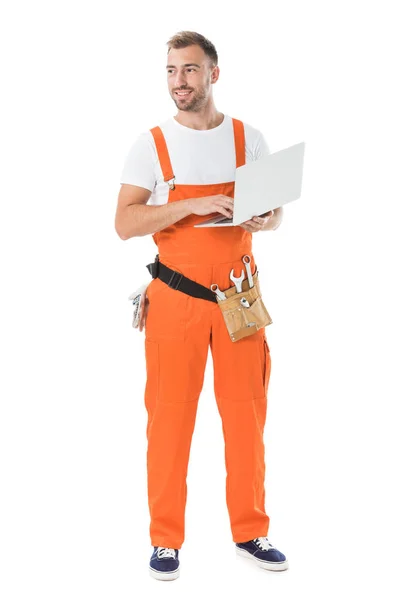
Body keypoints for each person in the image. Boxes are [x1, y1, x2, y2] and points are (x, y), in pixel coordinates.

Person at [115, 31, 287, 581]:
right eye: (170, 71)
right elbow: (124, 223)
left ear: (214, 73)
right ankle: (165, 540)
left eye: (188, 70)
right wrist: (188, 205)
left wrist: (267, 218)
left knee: (246, 416)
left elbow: (275, 212)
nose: (178, 82)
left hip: (239, 300)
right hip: (175, 303)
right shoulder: (151, 145)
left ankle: (251, 532)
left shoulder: (248, 138)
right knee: (169, 420)